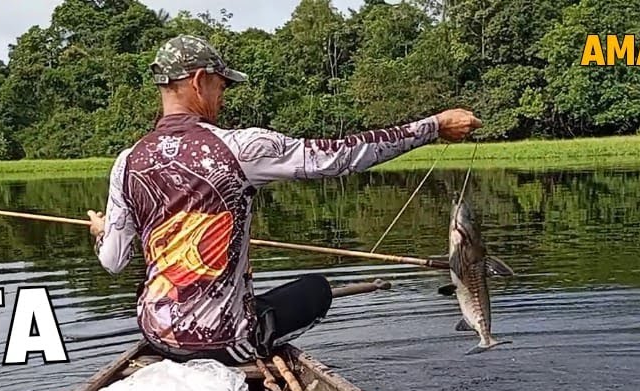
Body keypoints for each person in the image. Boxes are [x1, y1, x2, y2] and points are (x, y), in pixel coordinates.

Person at [87, 34, 482, 366]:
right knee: (317, 289)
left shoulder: (127, 162)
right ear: (198, 80)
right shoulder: (239, 148)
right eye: (220, 86)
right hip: (221, 343)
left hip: (156, 334)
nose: (222, 97)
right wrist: (433, 127)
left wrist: (103, 231)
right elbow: (339, 156)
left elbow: (113, 261)